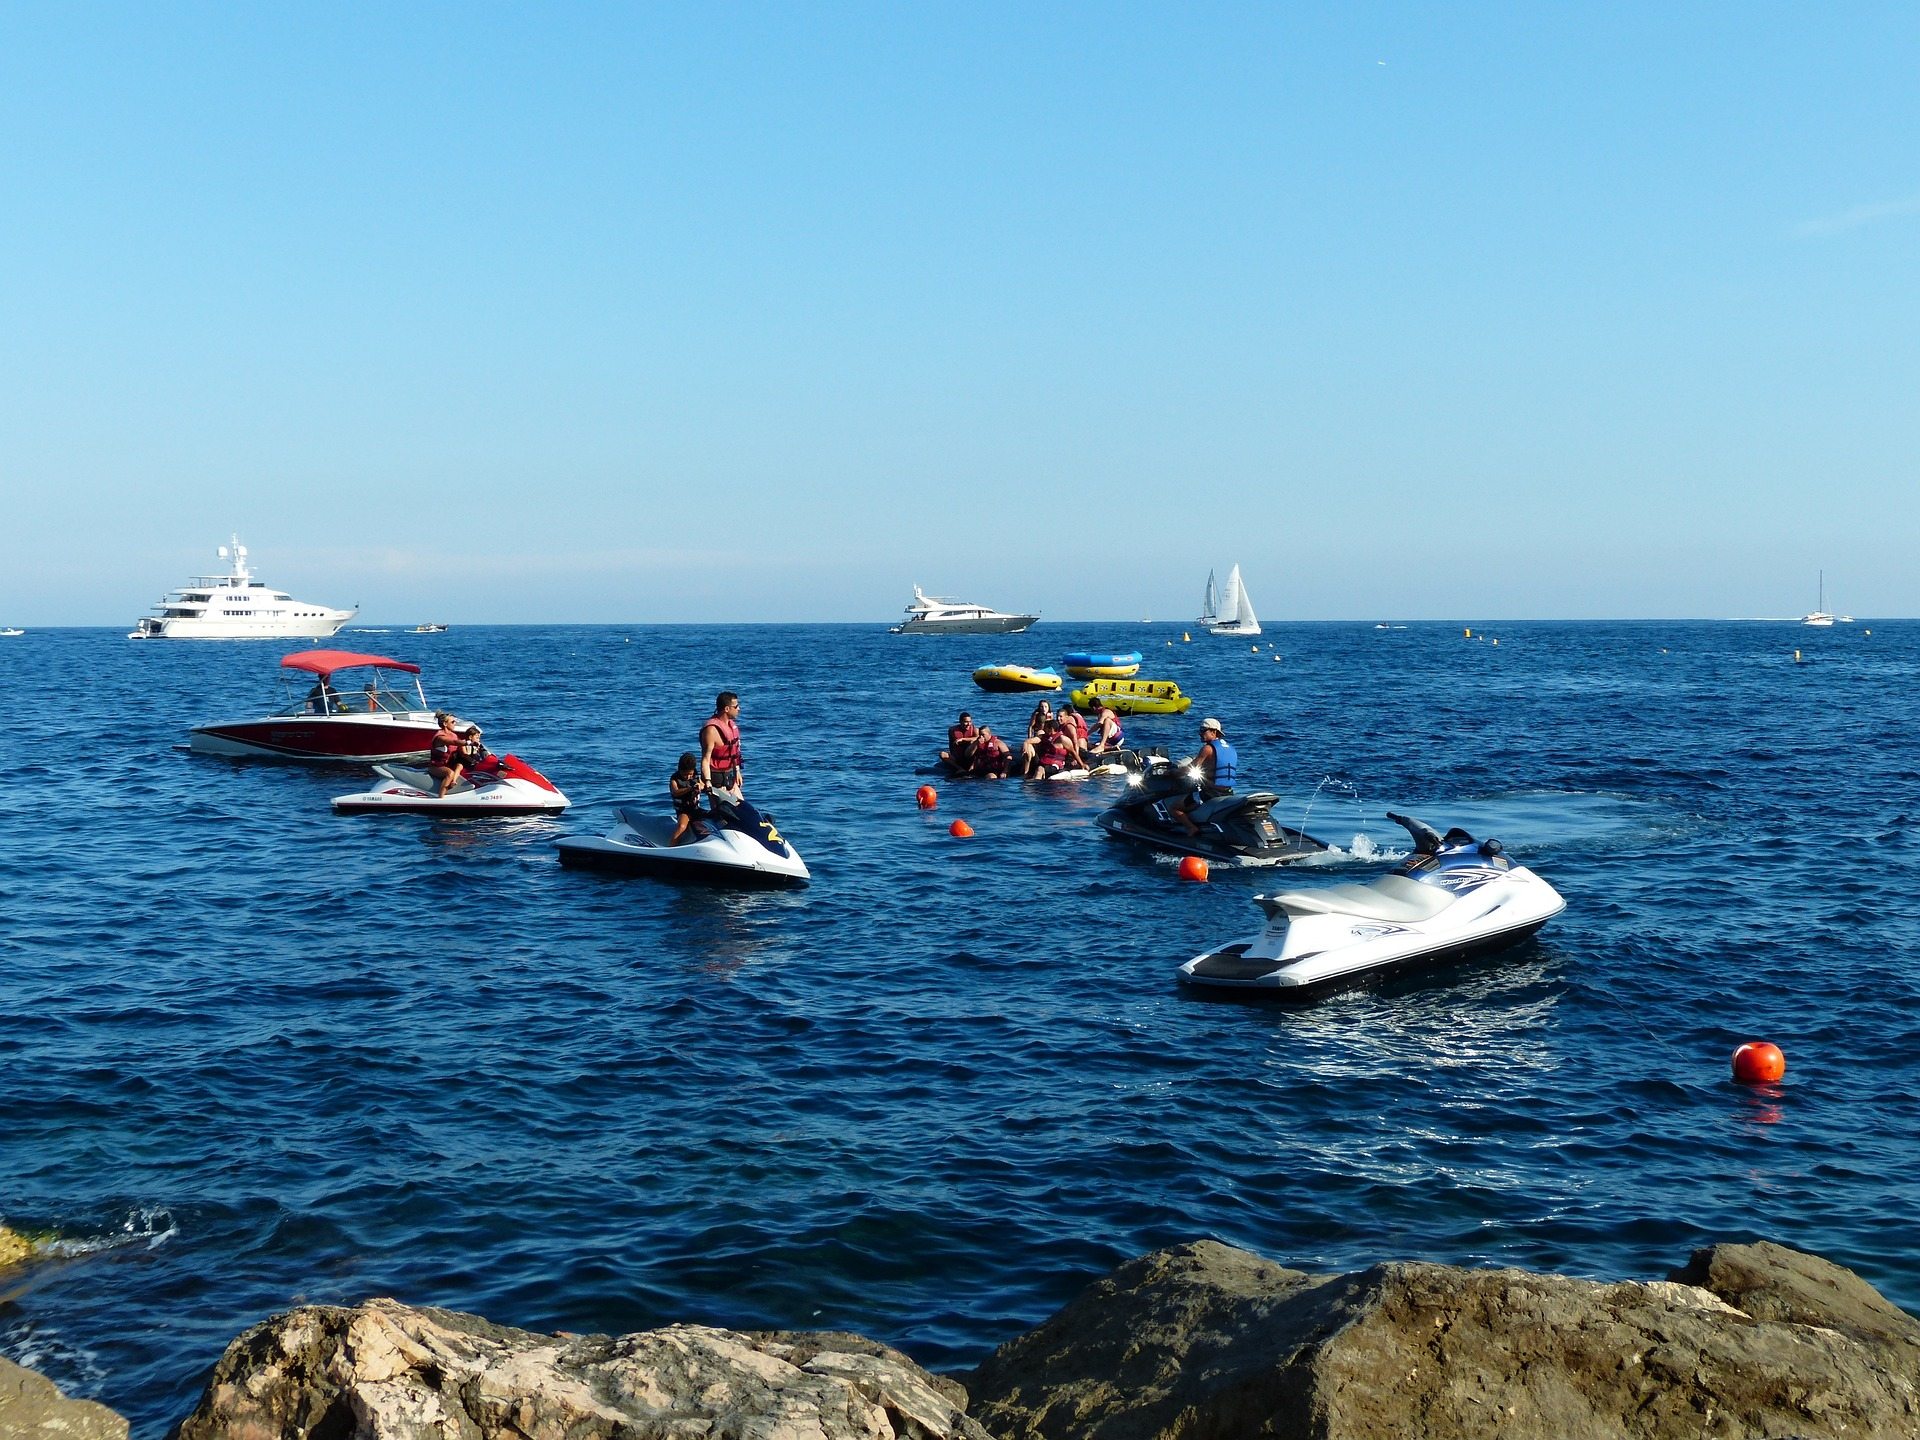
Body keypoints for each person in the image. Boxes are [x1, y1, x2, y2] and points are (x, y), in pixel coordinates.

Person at [1171, 717, 1238, 836]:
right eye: (1200, 730)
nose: (1200, 733)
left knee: (1175, 808)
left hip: (1210, 793)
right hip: (1227, 792)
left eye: (1203, 730)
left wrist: (1172, 773)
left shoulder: (1207, 748)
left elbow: (1190, 768)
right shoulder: (1231, 748)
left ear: (1214, 732)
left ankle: (1191, 829)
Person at [700, 691, 745, 800]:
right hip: (716, 780)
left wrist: (737, 771)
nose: (739, 709)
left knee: (742, 808)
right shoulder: (711, 730)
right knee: (723, 813)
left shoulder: (731, 726)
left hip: (730, 776)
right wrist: (708, 781)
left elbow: (734, 754)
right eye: (736, 706)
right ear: (727, 709)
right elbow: (706, 759)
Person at [668, 752, 709, 845]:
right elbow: (675, 792)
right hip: (684, 810)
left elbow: (703, 784)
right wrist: (690, 788)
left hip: (695, 808)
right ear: (679, 770)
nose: (688, 777)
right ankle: (671, 847)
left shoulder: (695, 775)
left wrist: (701, 786)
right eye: (685, 774)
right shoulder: (674, 779)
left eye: (690, 774)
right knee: (682, 826)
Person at [426, 712, 466, 798]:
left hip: (448, 764)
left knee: (460, 765)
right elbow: (454, 742)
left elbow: (462, 750)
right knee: (450, 773)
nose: (455, 723)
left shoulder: (454, 735)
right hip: (436, 766)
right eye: (452, 722)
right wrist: (467, 742)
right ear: (445, 724)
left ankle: (454, 783)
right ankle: (441, 797)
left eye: (455, 721)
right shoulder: (440, 737)